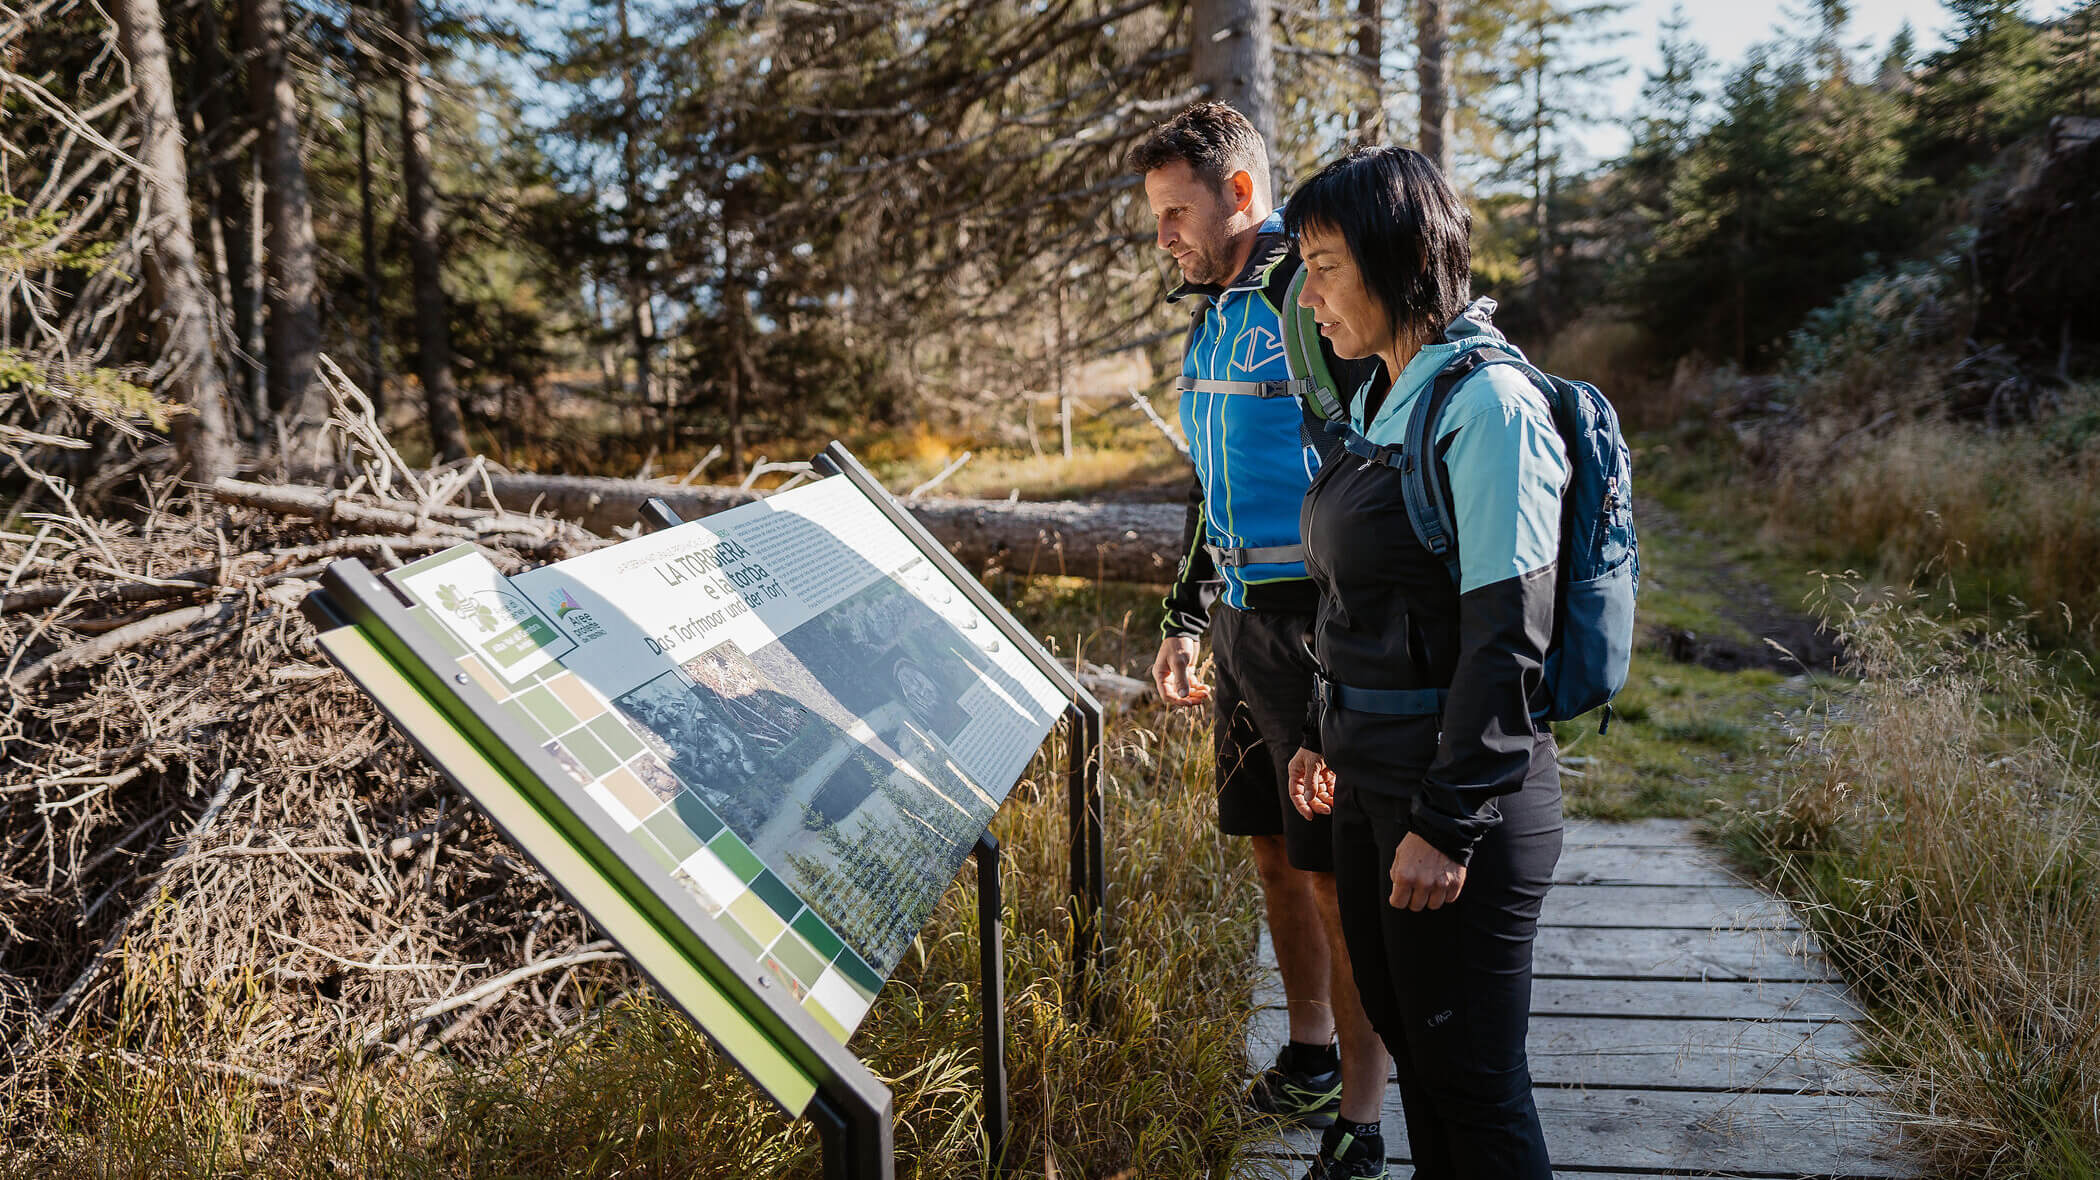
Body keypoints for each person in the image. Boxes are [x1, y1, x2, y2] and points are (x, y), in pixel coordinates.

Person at [1283, 146, 1567, 1180]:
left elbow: (1509, 640)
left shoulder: (1487, 406)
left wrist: (1447, 825)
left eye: (1321, 264)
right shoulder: (1385, 398)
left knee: (1475, 1088)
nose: (1305, 295)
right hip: (1371, 781)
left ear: (1398, 260)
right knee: (1424, 1058)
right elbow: (1368, 599)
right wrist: (1322, 732)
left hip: (1457, 809)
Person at [1125, 102, 1392, 1180]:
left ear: (1240, 195)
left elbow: (1369, 463)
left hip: (1313, 627)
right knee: (1275, 857)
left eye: (1175, 212)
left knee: (1333, 871)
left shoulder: (1304, 292)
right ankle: (1309, 1053)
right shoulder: (1215, 306)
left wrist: (1352, 630)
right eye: (1155, 217)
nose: (1163, 237)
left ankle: (1364, 1121)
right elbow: (1210, 478)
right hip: (1239, 623)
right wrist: (1187, 619)